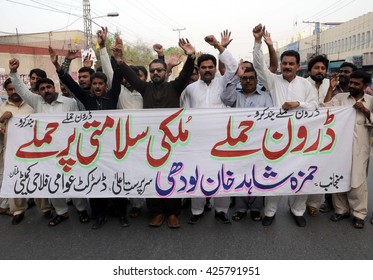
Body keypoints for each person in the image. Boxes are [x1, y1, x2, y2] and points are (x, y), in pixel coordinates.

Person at [114, 35, 196, 229]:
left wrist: (191, 57)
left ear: (165, 71)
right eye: (153, 71)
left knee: (172, 176)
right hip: (150, 142)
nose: (156, 73)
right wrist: (120, 61)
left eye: (159, 70)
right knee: (152, 177)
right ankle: (157, 213)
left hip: (173, 141)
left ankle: (173, 214)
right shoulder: (145, 88)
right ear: (150, 74)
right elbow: (132, 76)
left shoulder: (174, 87)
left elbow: (185, 74)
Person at [50, 30, 127, 230]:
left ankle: (122, 213)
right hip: (91, 151)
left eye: (101, 83)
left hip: (112, 148)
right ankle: (99, 215)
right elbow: (70, 84)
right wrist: (58, 66)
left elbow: (118, 77)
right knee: (94, 183)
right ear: (91, 86)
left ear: (106, 85)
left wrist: (119, 59)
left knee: (116, 180)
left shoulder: (112, 96)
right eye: (95, 84)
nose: (98, 86)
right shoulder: (86, 98)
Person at [9, 58, 90, 227]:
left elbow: (76, 124)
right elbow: (22, 90)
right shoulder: (37, 102)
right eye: (42, 89)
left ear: (54, 88)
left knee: (73, 180)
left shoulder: (69, 103)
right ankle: (61, 212)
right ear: (38, 92)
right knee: (51, 182)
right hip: (47, 151)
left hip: (68, 149)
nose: (46, 91)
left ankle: (81, 210)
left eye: (48, 87)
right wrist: (14, 72)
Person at [252, 23, 317, 227]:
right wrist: (257, 42)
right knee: (274, 175)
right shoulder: (273, 81)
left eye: (291, 64)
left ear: (298, 66)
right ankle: (270, 212)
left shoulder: (306, 85)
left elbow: (315, 108)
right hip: (276, 139)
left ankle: (298, 210)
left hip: (301, 140)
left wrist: (298, 104)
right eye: (284, 63)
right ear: (280, 65)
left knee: (302, 176)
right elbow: (258, 66)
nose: (287, 66)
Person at [181, 34, 238, 225]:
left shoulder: (223, 82)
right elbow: (185, 114)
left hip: (221, 140)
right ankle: (197, 210)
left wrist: (218, 47)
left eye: (210, 67)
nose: (207, 70)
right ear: (198, 69)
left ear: (215, 69)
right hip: (197, 142)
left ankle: (221, 210)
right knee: (197, 174)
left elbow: (233, 67)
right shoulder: (190, 89)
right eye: (203, 67)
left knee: (221, 174)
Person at [220, 61, 273, 223]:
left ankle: (256, 209)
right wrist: (236, 77)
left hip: (259, 144)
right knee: (240, 176)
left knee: (258, 177)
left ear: (257, 80)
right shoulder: (236, 96)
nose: (248, 81)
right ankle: (241, 209)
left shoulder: (265, 97)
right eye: (245, 79)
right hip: (238, 144)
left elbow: (271, 118)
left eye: (251, 78)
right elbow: (225, 98)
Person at [323, 70, 373, 229]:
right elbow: (323, 110)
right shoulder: (340, 98)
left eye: (356, 83)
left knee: (358, 182)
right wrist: (330, 90)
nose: (352, 85)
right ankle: (341, 210)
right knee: (338, 178)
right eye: (351, 82)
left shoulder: (370, 101)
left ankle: (359, 213)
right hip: (338, 148)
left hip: (360, 148)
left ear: (365, 86)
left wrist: (365, 110)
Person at [0, 78, 54, 225]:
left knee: (37, 177)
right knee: (15, 179)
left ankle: (45, 208)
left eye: (15, 88)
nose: (13, 92)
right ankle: (18, 211)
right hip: (12, 152)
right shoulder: (2, 107)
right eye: (10, 89)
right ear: (7, 91)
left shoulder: (32, 105)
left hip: (34, 149)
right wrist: (1, 119)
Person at [304, 54, 332, 217]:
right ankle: (298, 203)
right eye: (316, 68)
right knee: (302, 169)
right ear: (310, 70)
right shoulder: (303, 84)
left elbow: (330, 108)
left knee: (320, 170)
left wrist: (330, 90)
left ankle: (313, 203)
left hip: (325, 135)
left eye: (323, 68)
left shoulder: (330, 84)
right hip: (305, 135)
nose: (320, 71)